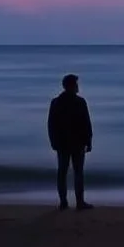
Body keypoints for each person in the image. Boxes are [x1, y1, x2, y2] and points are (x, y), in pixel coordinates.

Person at [47, 73, 94, 211]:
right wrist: (89, 140)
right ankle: (79, 202)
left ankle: (63, 202)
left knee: (62, 172)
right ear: (72, 86)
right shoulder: (80, 102)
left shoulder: (56, 102)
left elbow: (51, 124)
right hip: (77, 142)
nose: (78, 87)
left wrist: (53, 141)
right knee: (77, 172)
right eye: (76, 85)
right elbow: (87, 123)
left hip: (62, 143)